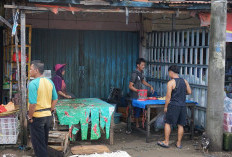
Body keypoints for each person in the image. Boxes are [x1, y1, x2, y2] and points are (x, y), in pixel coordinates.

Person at [27, 60, 58, 157]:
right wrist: (50, 110)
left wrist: (30, 117)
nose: (29, 71)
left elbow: (32, 104)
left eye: (31, 69)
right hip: (47, 116)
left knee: (38, 146)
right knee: (43, 143)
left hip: (37, 117)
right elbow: (55, 99)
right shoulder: (49, 82)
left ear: (36, 70)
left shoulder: (33, 84)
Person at [158, 65, 192, 149]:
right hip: (182, 106)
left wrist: (166, 107)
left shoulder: (171, 83)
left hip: (173, 106)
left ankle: (166, 142)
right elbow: (189, 92)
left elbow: (168, 96)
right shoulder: (184, 81)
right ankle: (179, 143)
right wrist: (182, 93)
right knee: (181, 125)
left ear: (171, 72)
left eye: (168, 73)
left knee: (168, 123)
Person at [129, 58, 154, 128]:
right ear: (138, 65)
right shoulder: (134, 74)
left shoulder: (141, 72)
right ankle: (136, 123)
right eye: (142, 65)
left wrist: (150, 86)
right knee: (137, 109)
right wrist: (138, 91)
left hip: (141, 95)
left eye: (144, 65)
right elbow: (130, 86)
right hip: (135, 95)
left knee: (143, 108)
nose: (143, 66)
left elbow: (142, 81)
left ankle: (145, 123)